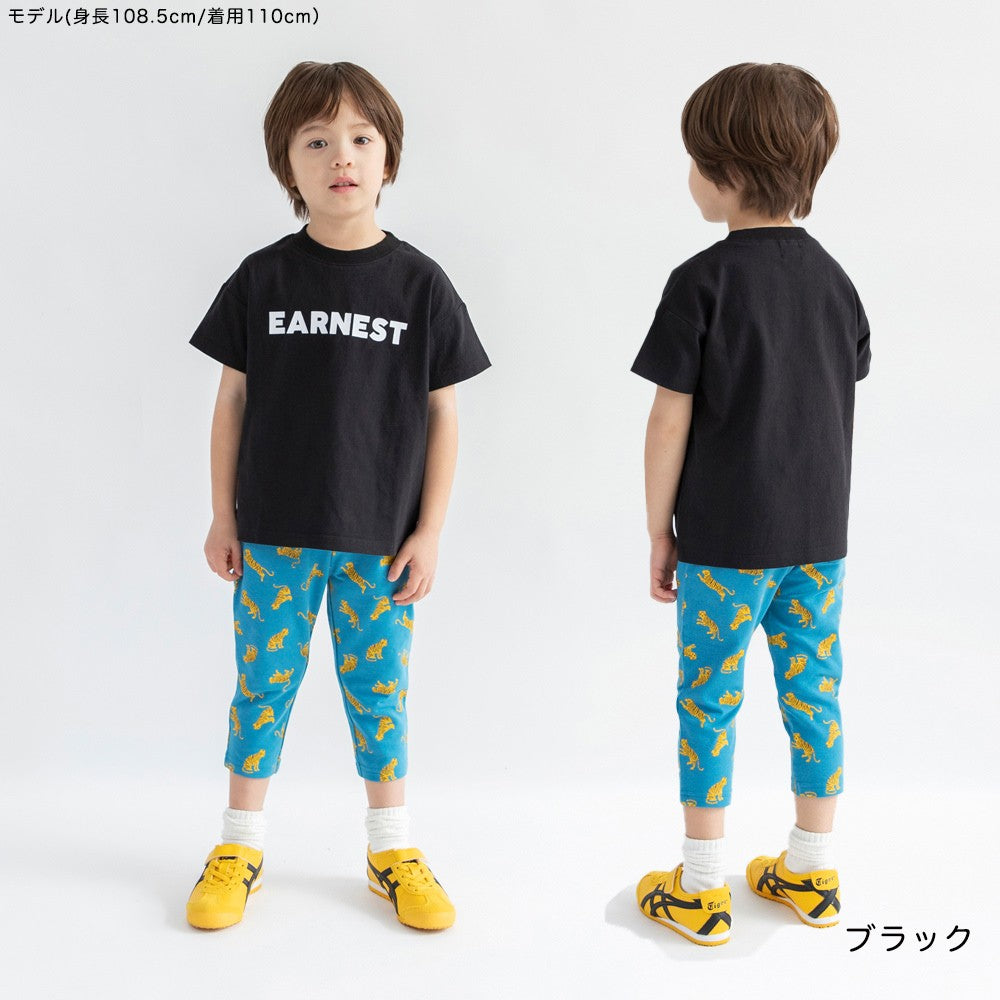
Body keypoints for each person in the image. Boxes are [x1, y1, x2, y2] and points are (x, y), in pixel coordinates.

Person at [184, 61, 490, 933]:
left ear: (389, 158)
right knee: (262, 689)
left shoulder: (421, 285)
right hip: (274, 535)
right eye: (316, 141)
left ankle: (391, 849)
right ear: (287, 164)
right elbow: (231, 402)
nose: (341, 157)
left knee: (379, 695)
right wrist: (223, 513)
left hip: (379, 541)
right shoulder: (262, 278)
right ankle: (239, 845)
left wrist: (430, 530)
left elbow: (444, 413)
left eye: (361, 138)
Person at [630, 62, 870, 946]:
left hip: (725, 544)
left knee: (708, 700)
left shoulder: (702, 282)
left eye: (697, 160)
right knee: (815, 696)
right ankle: (812, 869)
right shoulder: (836, 282)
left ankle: (699, 888)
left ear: (727, 172)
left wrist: (660, 528)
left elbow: (669, 419)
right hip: (819, 542)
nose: (691, 176)